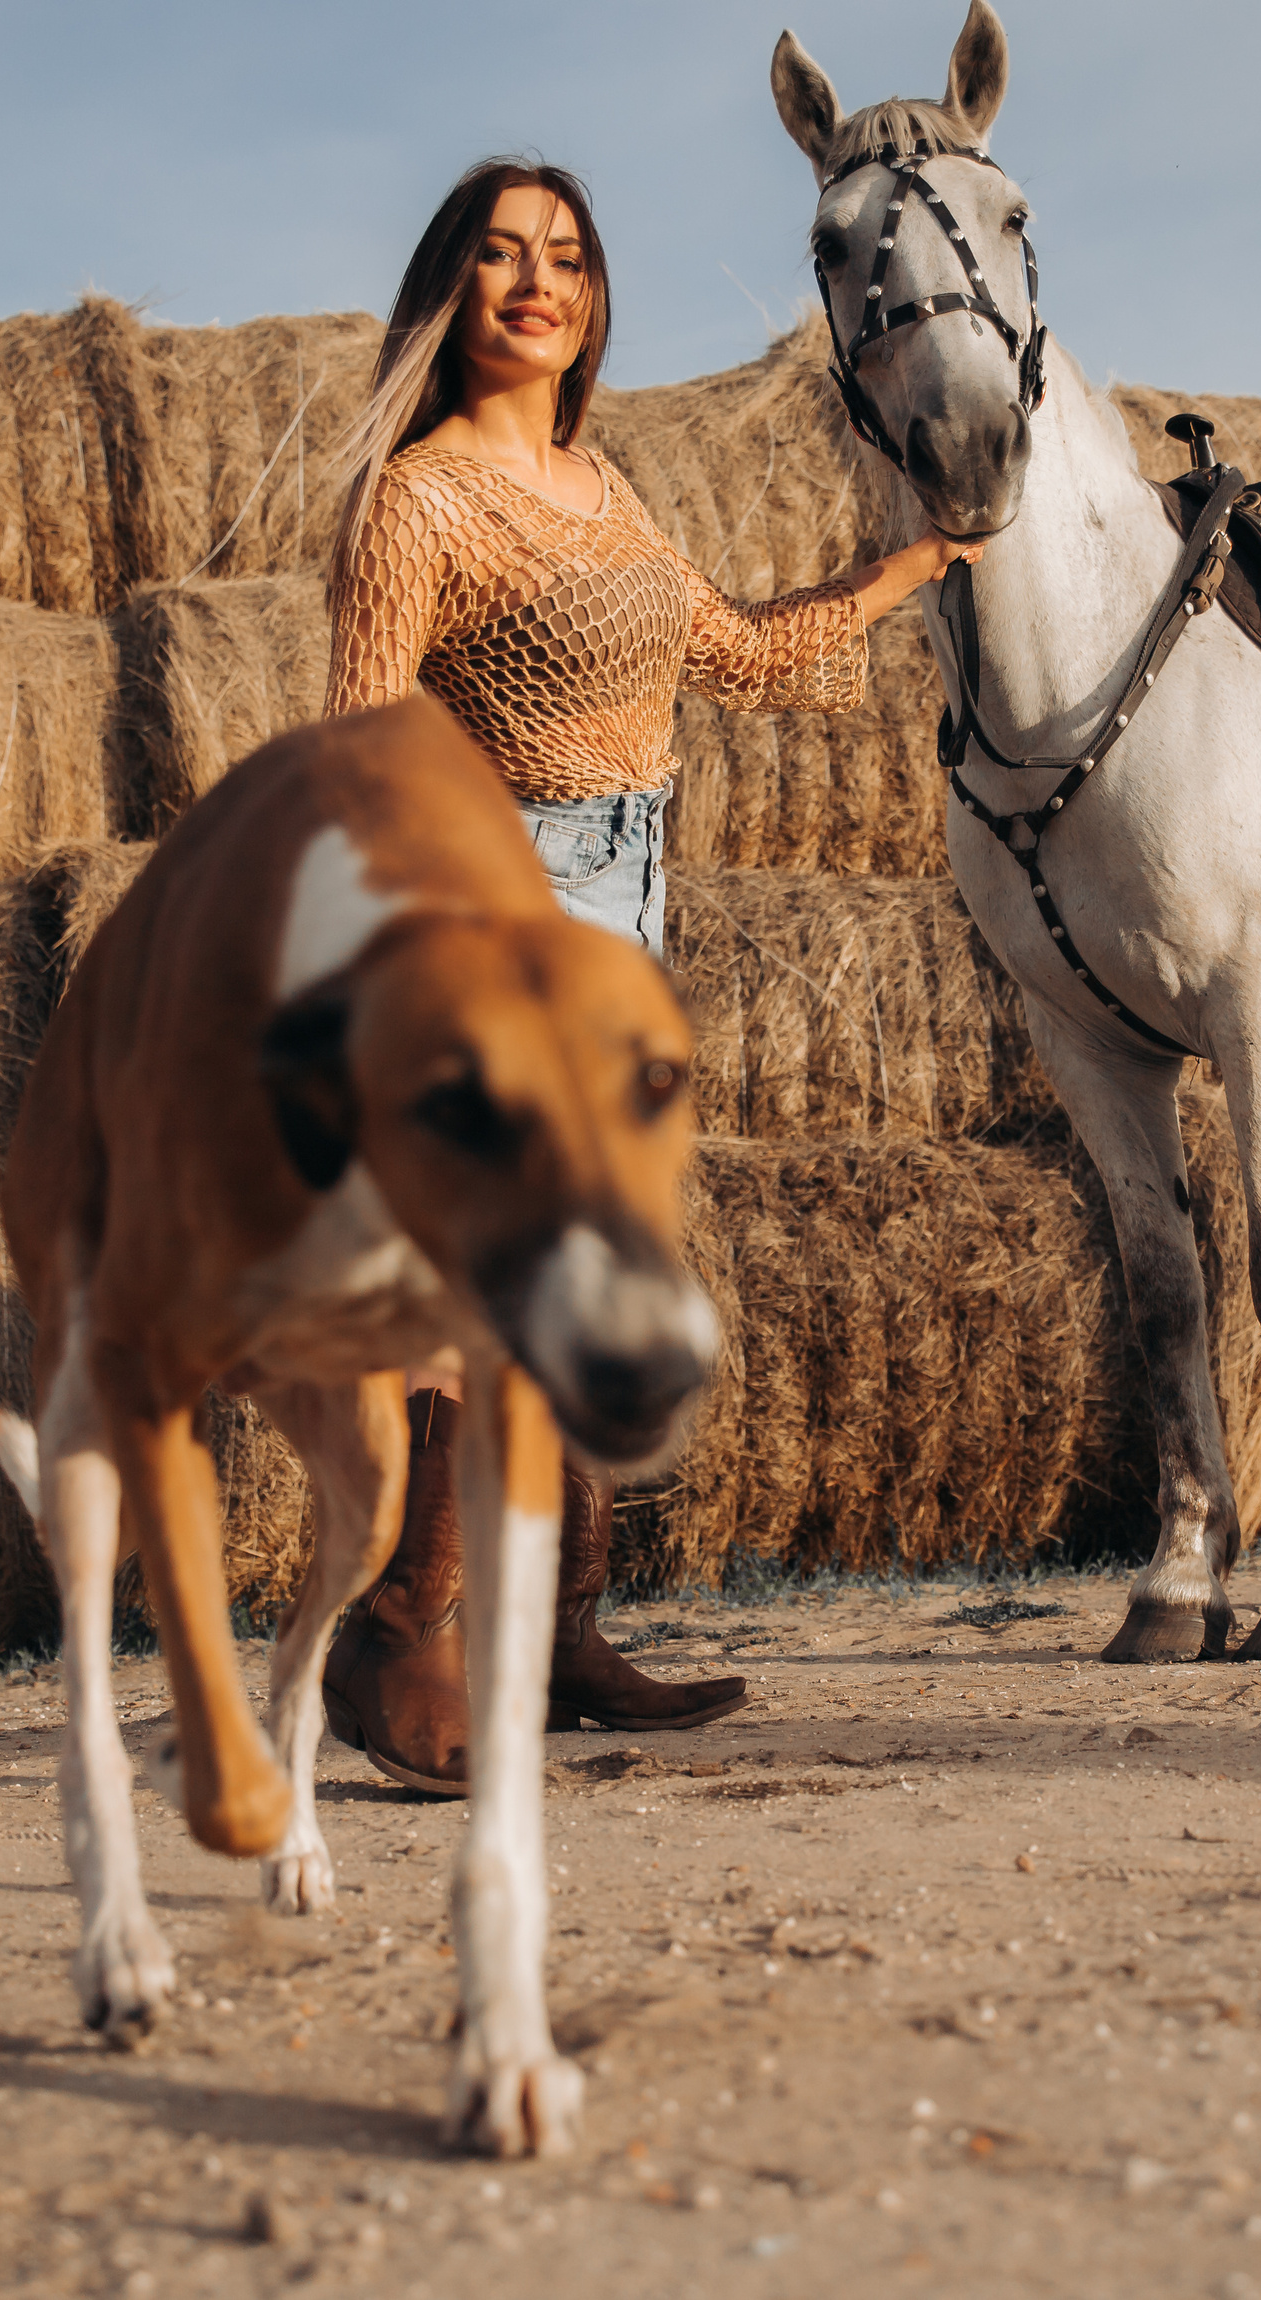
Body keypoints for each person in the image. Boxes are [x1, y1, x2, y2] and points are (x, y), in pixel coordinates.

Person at [318, 156, 980, 1795]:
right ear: (450, 288)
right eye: (498, 255)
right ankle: (400, 1631)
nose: (534, 283)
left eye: (565, 257)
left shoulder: (601, 487)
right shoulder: (421, 501)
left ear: (594, 297)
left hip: (628, 899)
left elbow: (734, 653)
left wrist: (903, 570)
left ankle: (557, 1637)